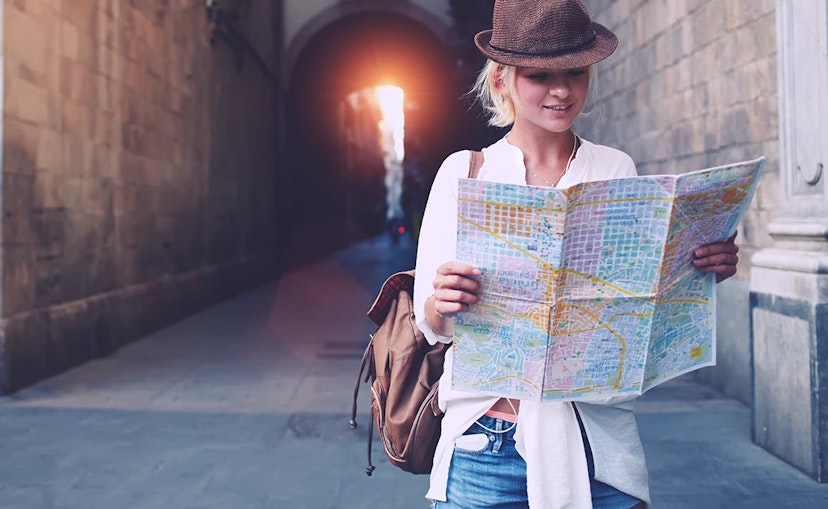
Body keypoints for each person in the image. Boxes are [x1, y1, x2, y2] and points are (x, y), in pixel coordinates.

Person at [412, 1, 741, 508]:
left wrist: (698, 272)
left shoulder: (614, 169)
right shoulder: (465, 171)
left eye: (575, 73)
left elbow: (636, 305)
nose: (562, 91)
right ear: (502, 81)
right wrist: (444, 300)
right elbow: (428, 321)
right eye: (540, 75)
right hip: (486, 446)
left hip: (596, 444)